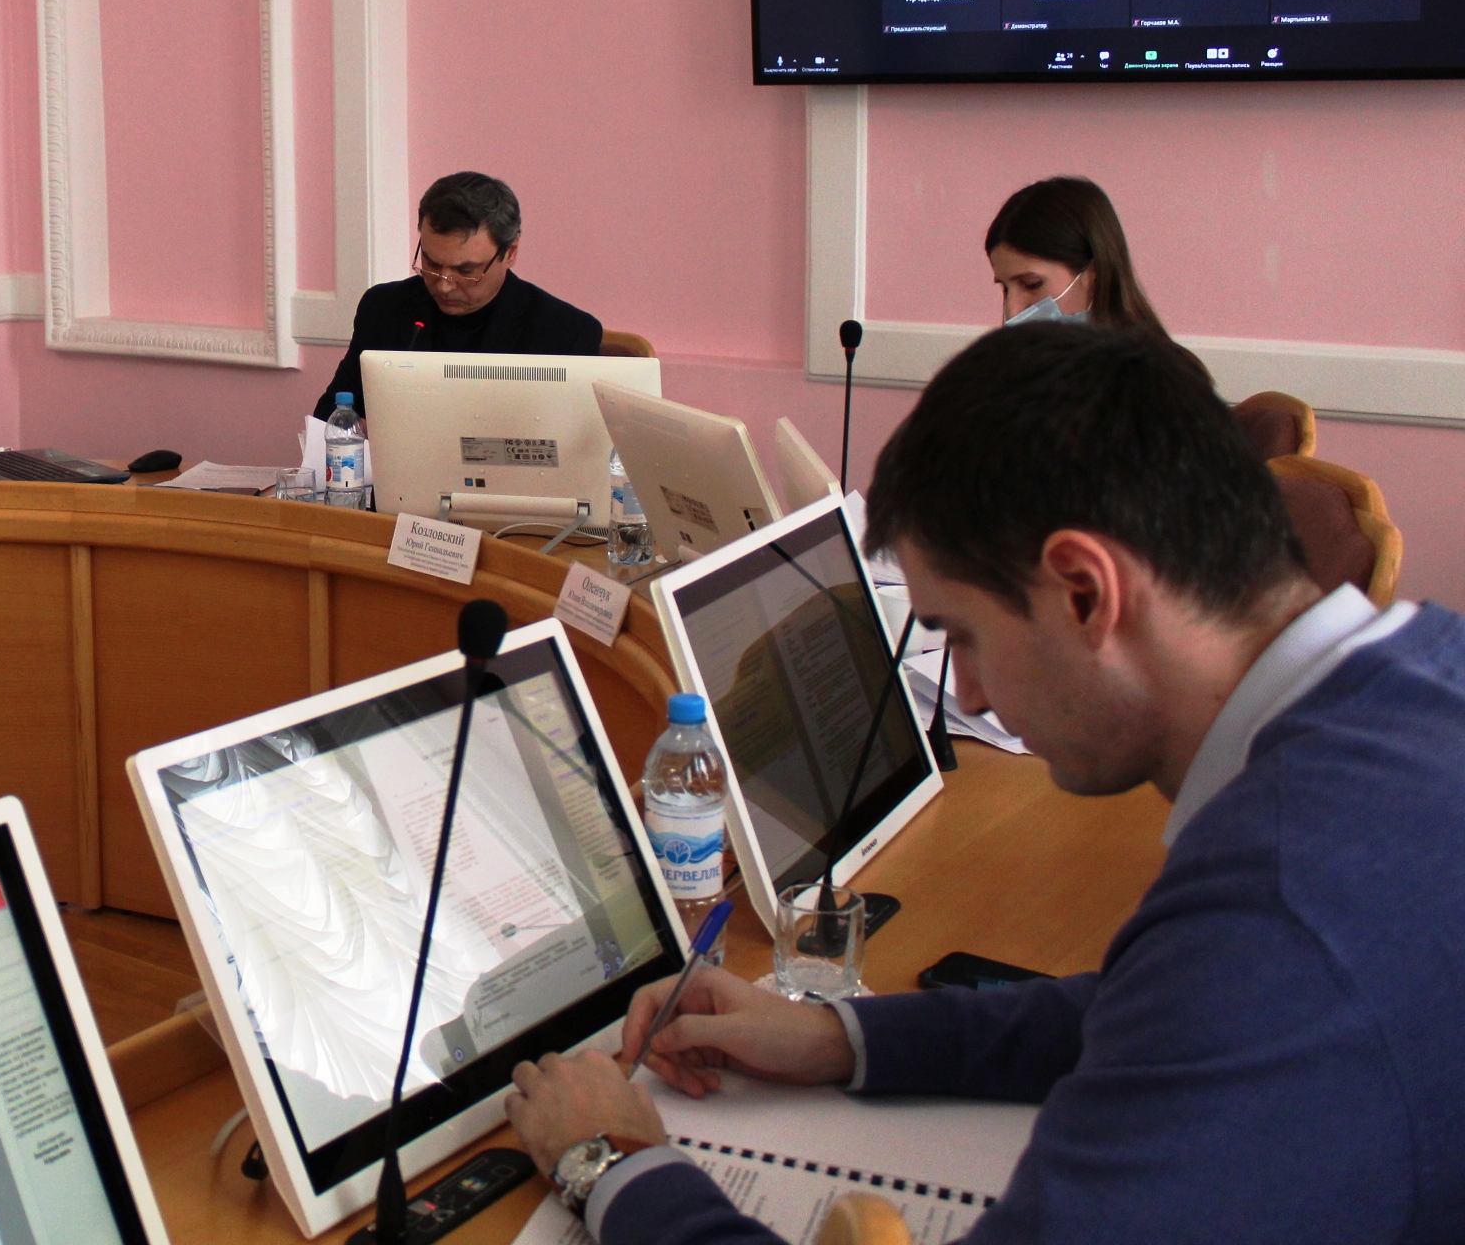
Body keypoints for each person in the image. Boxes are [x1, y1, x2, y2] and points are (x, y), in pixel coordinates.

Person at [504, 322, 1465, 1244]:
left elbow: (1224, 990)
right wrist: (840, 1037)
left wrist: (611, 1164)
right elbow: (1148, 1009)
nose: (965, 692)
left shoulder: (1281, 914)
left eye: (961, 635)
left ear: (1085, 591)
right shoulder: (1420, 686)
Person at [317, 172, 602, 418]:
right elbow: (332, 416)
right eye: (431, 263)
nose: (444, 286)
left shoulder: (565, 332)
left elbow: (573, 446)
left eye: (466, 271)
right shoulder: (384, 308)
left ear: (510, 253)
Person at [982, 175, 1168, 334]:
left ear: (1095, 276)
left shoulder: (1155, 364)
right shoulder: (1008, 362)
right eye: (1005, 290)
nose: (1013, 313)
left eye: (1032, 284)